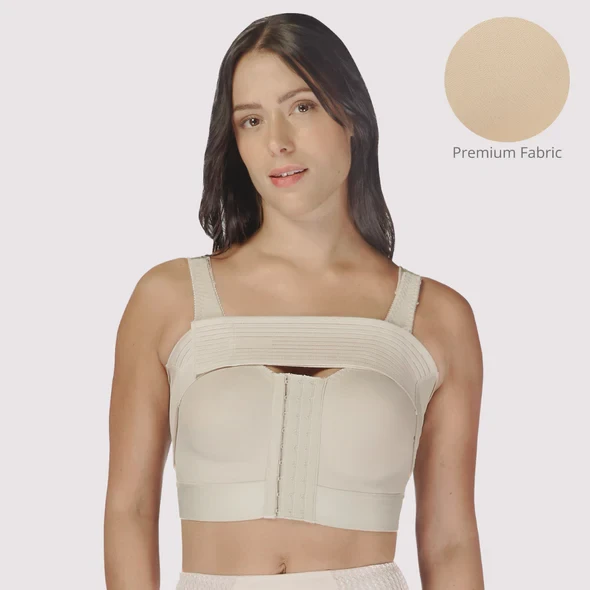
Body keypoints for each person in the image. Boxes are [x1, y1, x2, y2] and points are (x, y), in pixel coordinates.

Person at [104, 12, 485, 590]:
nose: (277, 141)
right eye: (251, 120)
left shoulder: (435, 317)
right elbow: (129, 511)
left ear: (350, 116)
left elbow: (450, 541)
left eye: (301, 107)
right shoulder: (169, 300)